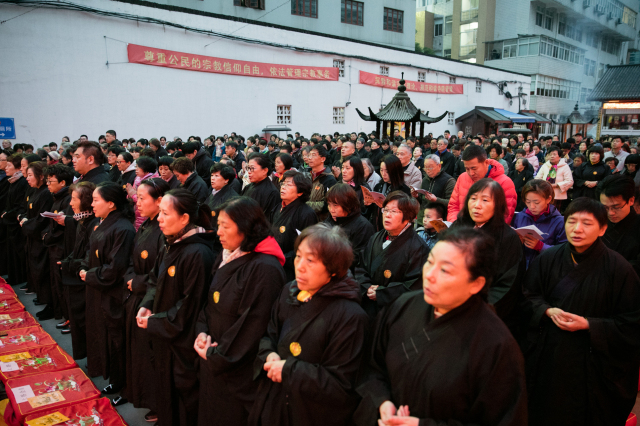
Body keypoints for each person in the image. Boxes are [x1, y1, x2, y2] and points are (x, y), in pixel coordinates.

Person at [354, 227, 527, 426]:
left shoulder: (496, 346)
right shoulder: (404, 305)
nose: (429, 275)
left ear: (476, 284)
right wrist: (382, 402)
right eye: (430, 262)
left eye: (445, 270)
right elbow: (373, 365)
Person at [522, 197, 640, 426]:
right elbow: (527, 295)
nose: (577, 229)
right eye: (572, 221)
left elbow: (632, 322)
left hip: (591, 363)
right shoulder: (548, 258)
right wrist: (547, 311)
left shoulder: (619, 269)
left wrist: (589, 324)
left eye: (587, 223)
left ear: (603, 228)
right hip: (549, 356)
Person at [249, 224, 368, 426]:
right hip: (274, 403)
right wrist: (269, 354)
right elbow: (269, 335)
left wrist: (288, 370)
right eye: (298, 256)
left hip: (309, 412)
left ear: (333, 268)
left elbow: (341, 385)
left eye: (310, 260)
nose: (300, 266)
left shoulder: (350, 316)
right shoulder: (290, 290)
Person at [194, 197, 286, 426]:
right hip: (213, 353)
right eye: (219, 225)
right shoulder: (229, 254)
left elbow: (252, 324)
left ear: (246, 227)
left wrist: (218, 355)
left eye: (226, 226)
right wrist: (202, 332)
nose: (219, 232)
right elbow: (210, 300)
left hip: (238, 369)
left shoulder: (265, 268)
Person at [135, 189, 215, 426]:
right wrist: (147, 305)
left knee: (183, 398)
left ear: (184, 219)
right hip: (164, 334)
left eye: (165, 214)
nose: (159, 219)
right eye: (159, 213)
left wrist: (156, 322)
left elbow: (189, 305)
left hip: (183, 342)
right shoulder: (169, 242)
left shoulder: (198, 252)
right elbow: (153, 279)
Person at [116, 178, 170, 413]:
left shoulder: (164, 231)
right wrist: (130, 277)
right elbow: (131, 258)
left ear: (160, 201)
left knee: (148, 355)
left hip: (149, 299)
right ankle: (133, 391)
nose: (137, 203)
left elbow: (159, 274)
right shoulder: (146, 225)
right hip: (134, 293)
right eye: (136, 197)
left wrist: (137, 282)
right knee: (134, 352)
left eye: (142, 198)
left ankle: (153, 402)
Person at [79, 182, 135, 394]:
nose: (91, 204)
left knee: (116, 339)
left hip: (112, 293)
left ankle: (123, 384)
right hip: (97, 288)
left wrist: (90, 274)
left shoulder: (123, 228)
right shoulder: (101, 222)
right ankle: (112, 376)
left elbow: (116, 268)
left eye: (95, 200)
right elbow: (90, 250)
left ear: (111, 204)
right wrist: (85, 267)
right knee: (103, 335)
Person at [451, 179, 525, 335]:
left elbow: (508, 285)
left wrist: (475, 309)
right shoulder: (458, 227)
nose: (477, 205)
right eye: (473, 198)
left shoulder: (508, 238)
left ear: (497, 205)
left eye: (485, 200)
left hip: (481, 312)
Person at [356, 191, 429, 320]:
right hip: (368, 306)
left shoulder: (418, 248)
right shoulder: (376, 238)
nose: (387, 215)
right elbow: (361, 267)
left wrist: (382, 293)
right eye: (386, 210)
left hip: (395, 313)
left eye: (394, 212)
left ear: (407, 216)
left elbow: (414, 286)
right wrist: (367, 287)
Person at [60, 182, 99, 359]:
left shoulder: (94, 224)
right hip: (75, 274)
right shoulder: (81, 219)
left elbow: (89, 257)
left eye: (74, 199)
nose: (71, 203)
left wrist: (71, 264)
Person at [41, 164, 76, 325]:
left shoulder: (68, 199)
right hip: (54, 245)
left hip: (62, 246)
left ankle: (69, 317)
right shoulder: (57, 197)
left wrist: (49, 237)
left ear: (62, 182)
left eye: (50, 181)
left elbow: (67, 226)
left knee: (63, 284)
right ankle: (63, 313)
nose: (48, 184)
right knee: (56, 282)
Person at [448, 145, 517, 223]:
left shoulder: (505, 182)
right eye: (467, 169)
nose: (471, 173)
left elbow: (505, 216)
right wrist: (454, 225)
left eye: (474, 168)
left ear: (486, 163)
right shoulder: (462, 177)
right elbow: (453, 206)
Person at [20, 161, 54, 316]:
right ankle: (41, 297)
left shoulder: (46, 193)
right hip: (32, 237)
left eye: (30, 175)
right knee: (35, 268)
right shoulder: (35, 191)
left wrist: (26, 223)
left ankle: (46, 300)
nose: (27, 178)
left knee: (42, 270)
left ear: (41, 176)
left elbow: (42, 219)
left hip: (40, 238)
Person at [272, 171, 317, 281]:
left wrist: (280, 257)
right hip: (274, 262)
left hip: (291, 269)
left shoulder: (307, 214)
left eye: (288, 184)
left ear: (300, 192)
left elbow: (307, 246)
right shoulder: (278, 207)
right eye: (283, 183)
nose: (283, 187)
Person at [511, 179, 566, 268]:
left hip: (544, 269)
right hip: (520, 268)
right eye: (528, 202)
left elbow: (564, 252)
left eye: (537, 202)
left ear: (548, 199)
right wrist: (516, 242)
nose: (532, 206)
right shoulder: (519, 217)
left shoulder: (559, 222)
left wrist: (540, 246)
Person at [324, 183, 375, 270]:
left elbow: (358, 258)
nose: (331, 210)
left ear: (348, 204)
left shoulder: (363, 226)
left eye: (335, 206)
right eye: (329, 205)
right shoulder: (330, 220)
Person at [599, 175, 640, 276]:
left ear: (631, 201)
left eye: (616, 207)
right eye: (605, 207)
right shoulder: (599, 221)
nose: (610, 213)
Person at [1, 154, 28, 285]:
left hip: (16, 223)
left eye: (9, 165)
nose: (6, 168)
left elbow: (19, 204)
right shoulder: (12, 181)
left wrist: (7, 214)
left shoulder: (22, 182)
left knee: (18, 253)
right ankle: (14, 276)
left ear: (17, 168)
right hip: (10, 221)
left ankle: (19, 278)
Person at [367, 155, 411, 232]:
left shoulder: (403, 190)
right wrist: (368, 203)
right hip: (377, 227)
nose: (383, 174)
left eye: (387, 171)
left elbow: (405, 214)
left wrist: (385, 207)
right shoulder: (378, 186)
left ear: (395, 170)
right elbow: (372, 210)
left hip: (394, 230)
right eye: (381, 170)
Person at [412, 154, 455, 225]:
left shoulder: (449, 181)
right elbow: (421, 201)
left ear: (439, 166)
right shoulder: (425, 179)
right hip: (422, 220)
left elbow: (452, 203)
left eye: (430, 168)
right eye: (425, 168)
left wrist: (436, 200)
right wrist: (416, 196)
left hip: (438, 221)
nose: (428, 171)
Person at [241, 153, 280, 223]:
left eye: (252, 168)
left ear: (264, 170)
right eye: (248, 168)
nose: (249, 172)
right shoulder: (248, 187)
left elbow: (268, 220)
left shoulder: (272, 193)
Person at [535, 146, 573, 210]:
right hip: (544, 193)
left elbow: (570, 181)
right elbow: (537, 178)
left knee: (554, 212)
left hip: (558, 195)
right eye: (550, 154)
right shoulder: (545, 165)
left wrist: (556, 185)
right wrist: (544, 184)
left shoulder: (565, 166)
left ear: (559, 156)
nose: (552, 156)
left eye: (554, 154)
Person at [126, 156, 159, 230]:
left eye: (138, 167)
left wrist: (133, 195)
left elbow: (147, 201)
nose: (136, 169)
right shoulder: (137, 178)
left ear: (146, 168)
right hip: (136, 212)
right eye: (136, 166)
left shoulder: (153, 182)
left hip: (145, 213)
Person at [306, 146, 337, 221]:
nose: (310, 158)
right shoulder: (307, 175)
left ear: (323, 159)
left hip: (320, 221)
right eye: (309, 155)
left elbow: (327, 205)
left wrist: (304, 204)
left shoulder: (329, 179)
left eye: (313, 155)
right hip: (306, 218)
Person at [205, 163, 239, 232]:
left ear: (226, 180)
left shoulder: (232, 198)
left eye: (216, 176)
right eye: (212, 175)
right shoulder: (213, 191)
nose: (213, 178)